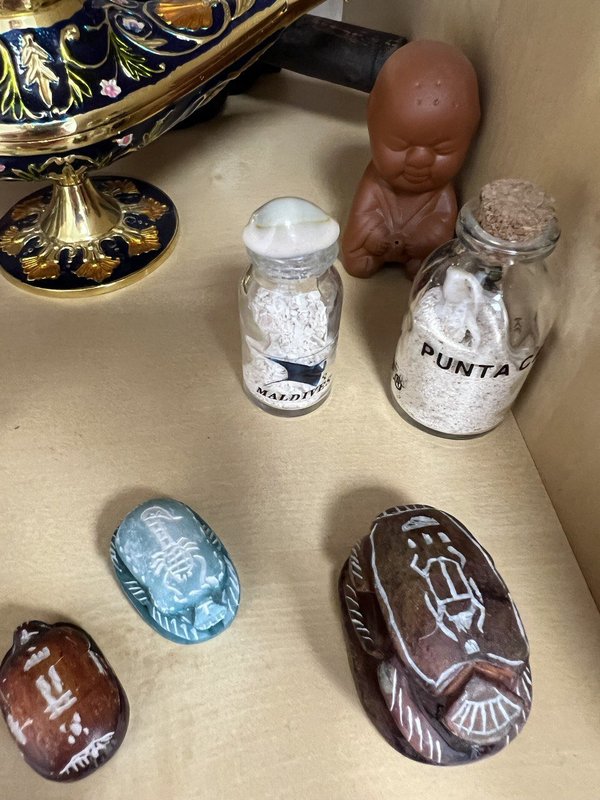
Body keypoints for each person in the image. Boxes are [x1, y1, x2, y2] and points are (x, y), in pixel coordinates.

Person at [342, 40, 480, 279]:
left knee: (427, 269)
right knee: (357, 264)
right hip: (380, 244)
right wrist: (374, 237)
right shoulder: (375, 182)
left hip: (415, 250)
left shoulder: (441, 192)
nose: (419, 160)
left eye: (442, 149)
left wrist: (423, 241)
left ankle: (417, 261)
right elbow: (362, 217)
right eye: (399, 146)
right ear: (373, 128)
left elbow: (441, 224)